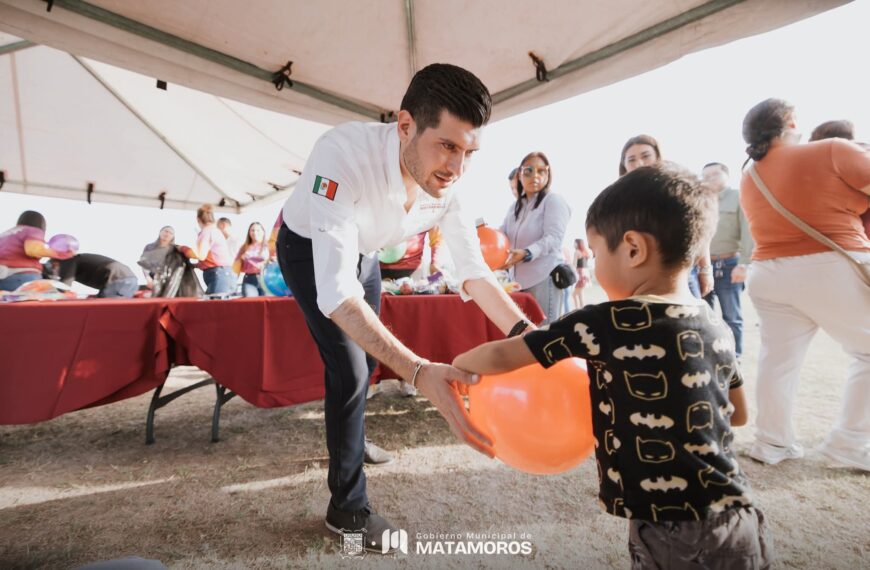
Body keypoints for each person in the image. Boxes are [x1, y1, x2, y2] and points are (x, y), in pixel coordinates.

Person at [454, 162, 770, 569]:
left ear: (633, 249)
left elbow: (503, 354)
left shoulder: (606, 322)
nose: (597, 264)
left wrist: (455, 367)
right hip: (738, 516)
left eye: (599, 251)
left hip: (671, 527)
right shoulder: (716, 324)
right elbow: (739, 413)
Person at [275, 63, 535, 552]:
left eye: (469, 152)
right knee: (350, 369)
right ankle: (347, 511)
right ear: (405, 125)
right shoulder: (340, 154)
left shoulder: (448, 183)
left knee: (369, 361)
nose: (457, 168)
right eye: (447, 146)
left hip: (366, 251)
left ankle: (351, 438)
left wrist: (529, 333)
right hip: (307, 248)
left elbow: (474, 273)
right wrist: (419, 372)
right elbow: (336, 292)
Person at [740, 98, 870, 471]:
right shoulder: (832, 149)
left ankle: (772, 443)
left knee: (778, 363)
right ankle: (850, 442)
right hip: (829, 265)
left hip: (767, 271)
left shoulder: (749, 174)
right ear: (791, 123)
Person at [619, 135, 713, 298]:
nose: (639, 163)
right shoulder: (617, 200)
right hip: (637, 278)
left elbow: (698, 231)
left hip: (680, 275)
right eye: (631, 159)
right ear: (624, 165)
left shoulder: (678, 190)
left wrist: (705, 269)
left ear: (658, 157)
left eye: (645, 156)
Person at [500, 152, 572, 323]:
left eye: (542, 171)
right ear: (519, 175)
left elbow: (553, 238)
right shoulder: (515, 206)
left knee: (544, 333)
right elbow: (501, 234)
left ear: (548, 174)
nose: (535, 176)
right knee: (525, 335)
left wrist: (526, 253)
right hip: (517, 283)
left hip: (543, 278)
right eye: (528, 171)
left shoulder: (553, 200)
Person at [701, 162, 754, 359]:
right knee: (703, 317)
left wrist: (744, 264)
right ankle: (708, 358)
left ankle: (734, 358)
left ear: (726, 175)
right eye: (705, 176)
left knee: (732, 317)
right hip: (702, 266)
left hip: (730, 264)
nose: (709, 179)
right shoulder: (700, 200)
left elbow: (748, 231)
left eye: (714, 174)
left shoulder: (738, 197)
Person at [0, 210, 73, 291]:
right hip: (22, 277)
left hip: (2, 278)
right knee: (50, 298)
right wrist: (60, 253)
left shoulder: (4, 234)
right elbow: (33, 249)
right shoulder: (33, 230)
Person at [184, 205, 235, 295]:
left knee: (216, 307)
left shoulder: (207, 232)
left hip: (219, 275)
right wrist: (196, 265)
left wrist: (183, 249)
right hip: (222, 274)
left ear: (198, 219)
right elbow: (211, 257)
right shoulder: (214, 231)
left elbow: (200, 255)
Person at [53, 253, 139, 298]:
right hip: (128, 279)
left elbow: (64, 286)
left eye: (53, 266)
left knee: (105, 311)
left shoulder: (68, 261)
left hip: (118, 278)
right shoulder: (78, 259)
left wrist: (50, 296)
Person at [379, 227, 443, 280]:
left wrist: (435, 262)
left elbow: (436, 236)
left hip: (413, 270)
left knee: (420, 290)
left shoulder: (425, 214)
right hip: (380, 267)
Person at [234, 222, 270, 297]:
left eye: (258, 230)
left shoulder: (269, 246)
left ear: (263, 232)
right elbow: (237, 266)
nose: (255, 233)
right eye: (252, 230)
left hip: (266, 279)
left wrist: (264, 263)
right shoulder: (244, 247)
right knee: (251, 305)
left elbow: (276, 260)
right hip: (249, 280)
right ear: (249, 233)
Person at [571, 238, 592, 309]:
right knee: (580, 294)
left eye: (574, 243)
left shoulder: (576, 252)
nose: (573, 244)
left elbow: (574, 265)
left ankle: (577, 310)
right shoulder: (585, 252)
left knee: (574, 295)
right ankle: (582, 310)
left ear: (578, 244)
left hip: (580, 275)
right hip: (586, 275)